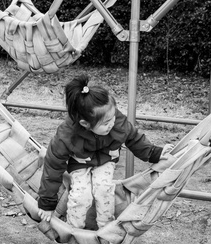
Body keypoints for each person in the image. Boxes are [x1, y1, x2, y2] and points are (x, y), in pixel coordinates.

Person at [37, 73, 170, 230]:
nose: (112, 123)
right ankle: (74, 230)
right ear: (85, 124)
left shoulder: (115, 121)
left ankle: (105, 229)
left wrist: (155, 153)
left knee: (103, 189)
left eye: (113, 117)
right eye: (106, 122)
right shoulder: (67, 135)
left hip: (106, 159)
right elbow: (53, 166)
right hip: (80, 162)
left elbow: (134, 137)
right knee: (81, 196)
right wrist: (46, 202)